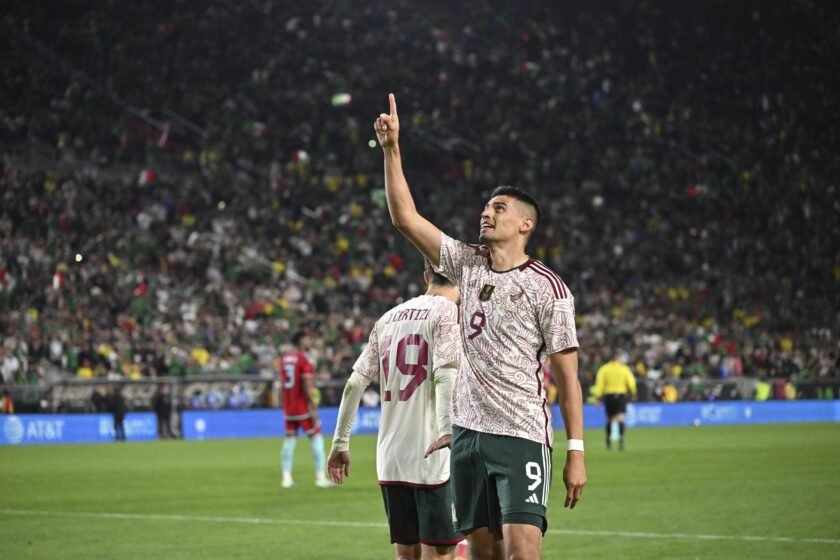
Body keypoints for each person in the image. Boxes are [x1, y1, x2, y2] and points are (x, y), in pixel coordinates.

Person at [374, 94, 586, 559]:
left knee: (522, 553)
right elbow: (405, 218)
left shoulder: (548, 287)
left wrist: (576, 451)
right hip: (467, 437)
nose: (487, 213)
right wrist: (392, 150)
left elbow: (568, 378)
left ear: (525, 224)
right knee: (484, 555)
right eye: (487, 207)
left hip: (521, 434)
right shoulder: (468, 265)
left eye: (500, 208)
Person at [327, 260, 464, 560]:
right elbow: (445, 374)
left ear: (426, 276)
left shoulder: (388, 318)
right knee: (441, 552)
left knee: (406, 553)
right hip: (433, 454)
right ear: (462, 278)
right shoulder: (448, 313)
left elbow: (355, 383)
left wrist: (340, 443)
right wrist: (447, 430)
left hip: (390, 457)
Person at [280, 330, 334, 488]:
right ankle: (320, 478)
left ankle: (286, 478)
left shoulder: (285, 359)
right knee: (316, 438)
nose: (310, 341)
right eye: (307, 338)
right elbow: (306, 384)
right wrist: (312, 405)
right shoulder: (303, 360)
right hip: (302, 406)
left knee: (289, 440)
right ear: (301, 340)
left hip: (289, 406)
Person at [595, 352, 637, 450]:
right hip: (621, 395)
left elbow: (600, 383)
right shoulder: (624, 369)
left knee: (609, 419)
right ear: (618, 358)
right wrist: (634, 393)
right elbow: (631, 381)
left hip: (609, 395)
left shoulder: (604, 369)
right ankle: (621, 438)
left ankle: (608, 439)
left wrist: (598, 398)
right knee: (621, 418)